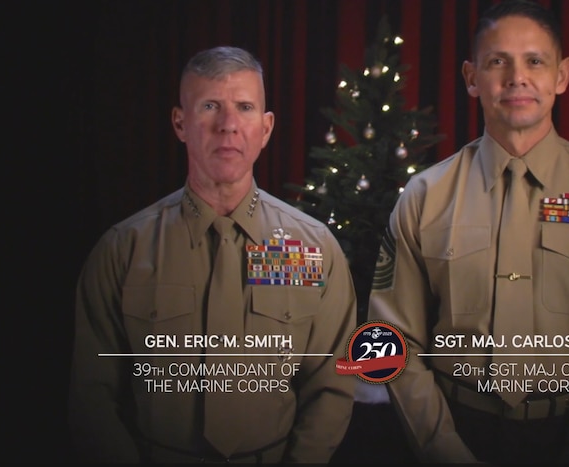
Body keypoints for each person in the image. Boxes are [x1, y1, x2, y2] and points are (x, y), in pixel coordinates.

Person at [367, 0, 569, 463]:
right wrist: (443, 450)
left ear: (562, 75)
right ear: (471, 77)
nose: (516, 77)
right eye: (497, 61)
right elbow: (392, 339)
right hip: (453, 428)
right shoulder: (424, 197)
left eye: (535, 61)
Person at [68, 46, 358, 463]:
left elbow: (331, 384)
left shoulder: (312, 248)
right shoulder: (123, 250)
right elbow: (92, 395)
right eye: (210, 106)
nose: (228, 125)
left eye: (244, 107)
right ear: (180, 123)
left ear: (266, 127)